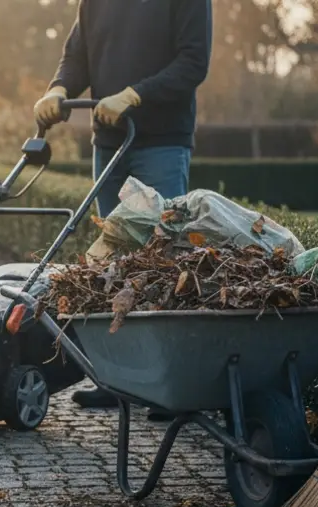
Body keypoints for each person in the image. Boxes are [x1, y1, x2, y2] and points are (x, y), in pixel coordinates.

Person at [35, 0, 212, 413]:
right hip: (110, 143)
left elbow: (193, 63)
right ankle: (116, 379)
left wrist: (134, 95)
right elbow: (78, 56)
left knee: (163, 258)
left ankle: (172, 387)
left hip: (162, 141)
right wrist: (59, 87)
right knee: (114, 259)